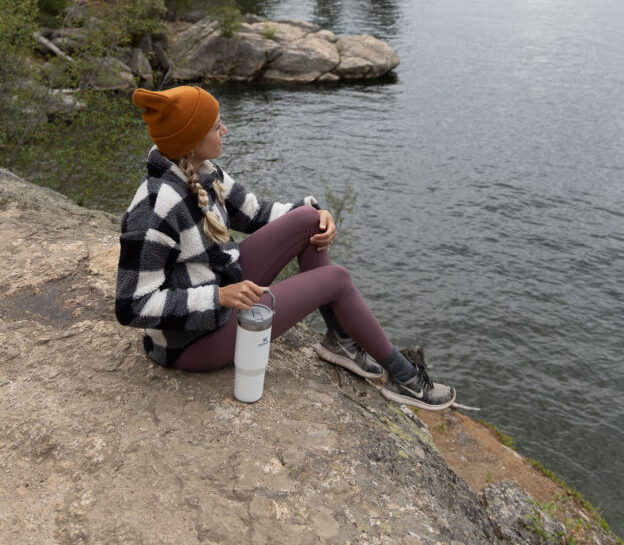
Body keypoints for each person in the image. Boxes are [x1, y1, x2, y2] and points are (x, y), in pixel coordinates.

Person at [115, 85, 456, 410]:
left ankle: (340, 340)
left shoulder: (203, 170)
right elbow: (131, 305)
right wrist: (219, 297)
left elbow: (256, 213)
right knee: (336, 280)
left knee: (307, 220)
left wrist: (320, 213)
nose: (226, 130)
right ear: (191, 140)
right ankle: (404, 377)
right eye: (217, 125)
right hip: (193, 342)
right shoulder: (154, 207)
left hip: (221, 290)